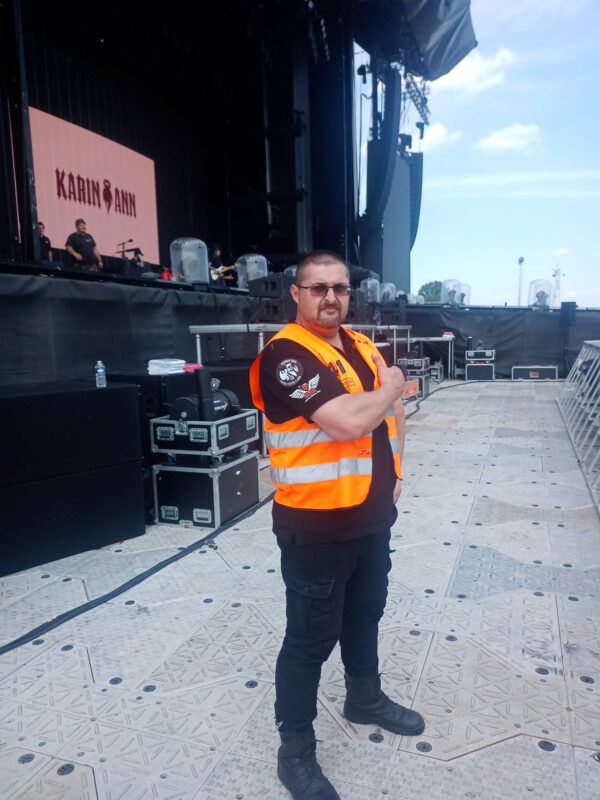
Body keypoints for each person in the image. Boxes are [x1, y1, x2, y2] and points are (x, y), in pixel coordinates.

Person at [249, 250, 425, 800]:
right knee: (309, 640)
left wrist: (397, 472)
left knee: (365, 616)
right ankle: (295, 751)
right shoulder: (286, 356)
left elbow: (391, 415)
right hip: (317, 528)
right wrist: (391, 386)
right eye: (318, 287)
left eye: (341, 288)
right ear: (296, 294)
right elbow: (349, 420)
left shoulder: (361, 346)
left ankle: (364, 698)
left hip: (372, 518)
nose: (331, 298)